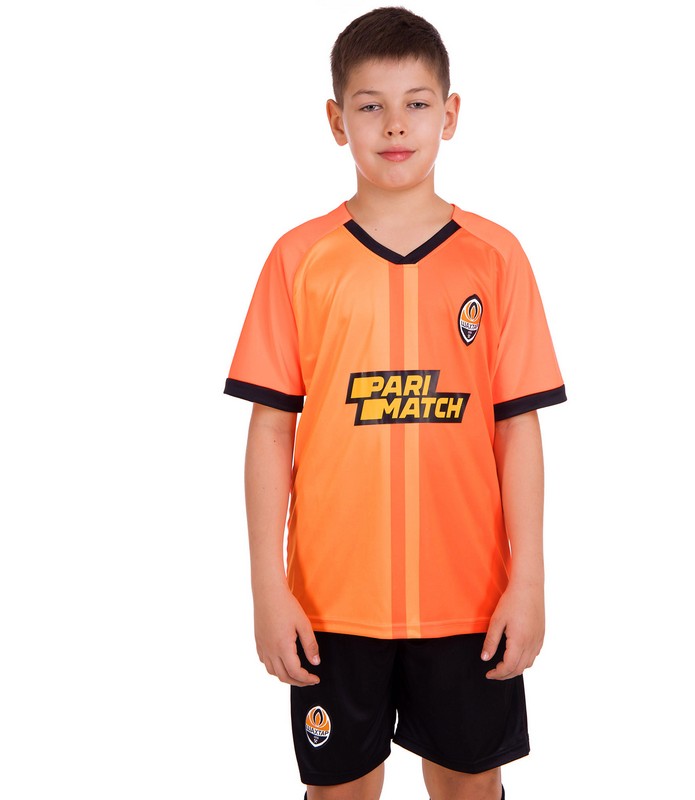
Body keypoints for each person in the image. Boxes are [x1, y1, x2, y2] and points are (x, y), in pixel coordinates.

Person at [224, 8, 566, 800]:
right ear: (336, 120)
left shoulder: (496, 257)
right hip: (333, 603)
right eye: (370, 105)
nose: (395, 124)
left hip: (470, 599)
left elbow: (517, 428)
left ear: (450, 113)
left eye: (416, 103)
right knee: (339, 790)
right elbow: (271, 428)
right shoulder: (299, 258)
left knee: (470, 787)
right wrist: (269, 586)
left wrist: (529, 580)